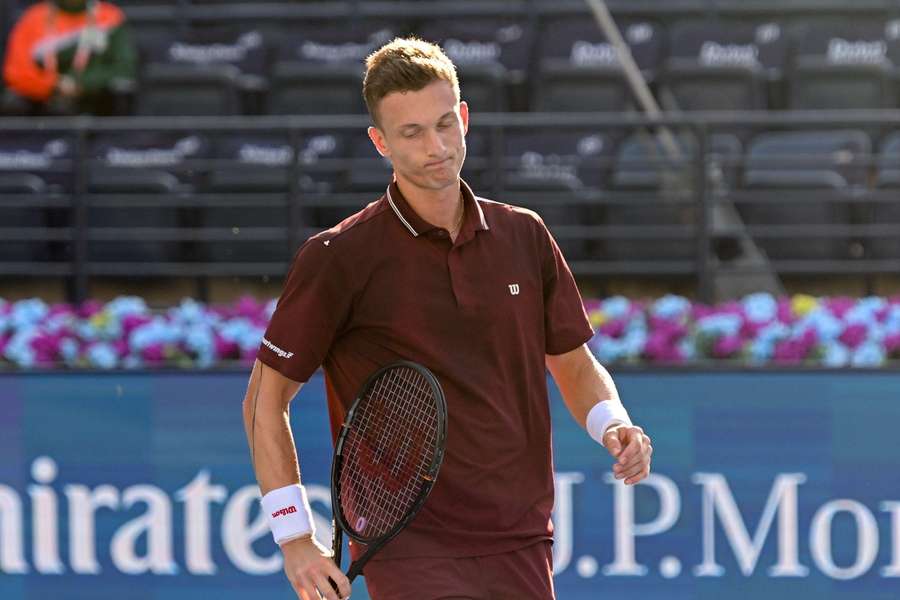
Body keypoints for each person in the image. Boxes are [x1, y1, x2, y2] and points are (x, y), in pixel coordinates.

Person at [243, 36, 654, 600]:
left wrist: (613, 424)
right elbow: (265, 399)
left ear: (464, 117)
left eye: (444, 124)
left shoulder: (524, 235)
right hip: (409, 546)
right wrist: (293, 537)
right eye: (411, 133)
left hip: (521, 534)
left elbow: (573, 364)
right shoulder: (338, 257)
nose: (436, 146)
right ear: (380, 142)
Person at [2, 0, 136, 116]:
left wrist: (80, 83)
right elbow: (15, 71)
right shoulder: (34, 17)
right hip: (41, 98)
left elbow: (124, 68)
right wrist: (54, 85)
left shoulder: (109, 17)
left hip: (91, 97)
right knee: (14, 102)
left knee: (119, 93)